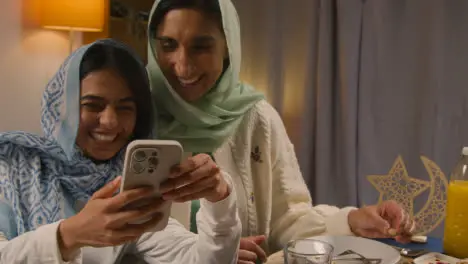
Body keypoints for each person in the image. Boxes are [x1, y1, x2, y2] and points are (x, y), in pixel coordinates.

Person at [146, 0, 416, 263]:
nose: (183, 64)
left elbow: (287, 220)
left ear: (228, 47)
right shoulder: (130, 113)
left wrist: (350, 221)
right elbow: (121, 231)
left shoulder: (257, 118)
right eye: (168, 45)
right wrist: (212, 251)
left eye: (201, 46)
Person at [0, 39, 241, 264]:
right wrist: (68, 235)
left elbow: (202, 260)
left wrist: (219, 198)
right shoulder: (9, 165)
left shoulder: (126, 187)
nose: (110, 121)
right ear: (61, 107)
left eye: (125, 108)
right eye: (93, 105)